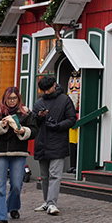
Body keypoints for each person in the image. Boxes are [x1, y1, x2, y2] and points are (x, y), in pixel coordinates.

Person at [0, 86, 37, 223]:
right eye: (9, 98)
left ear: (18, 99)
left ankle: (13, 207)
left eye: (14, 98)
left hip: (18, 153)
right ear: (4, 99)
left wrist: (23, 130)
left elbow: (35, 131)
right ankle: (1, 216)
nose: (12, 101)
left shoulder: (26, 114)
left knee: (16, 185)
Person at [31, 75, 77, 215]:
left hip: (57, 141)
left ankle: (52, 203)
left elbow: (72, 119)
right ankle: (47, 202)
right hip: (42, 142)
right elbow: (32, 122)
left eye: (48, 89)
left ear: (54, 85)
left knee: (55, 175)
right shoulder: (39, 103)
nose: (46, 92)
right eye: (43, 90)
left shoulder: (65, 100)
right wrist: (39, 117)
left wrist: (58, 126)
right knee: (44, 176)